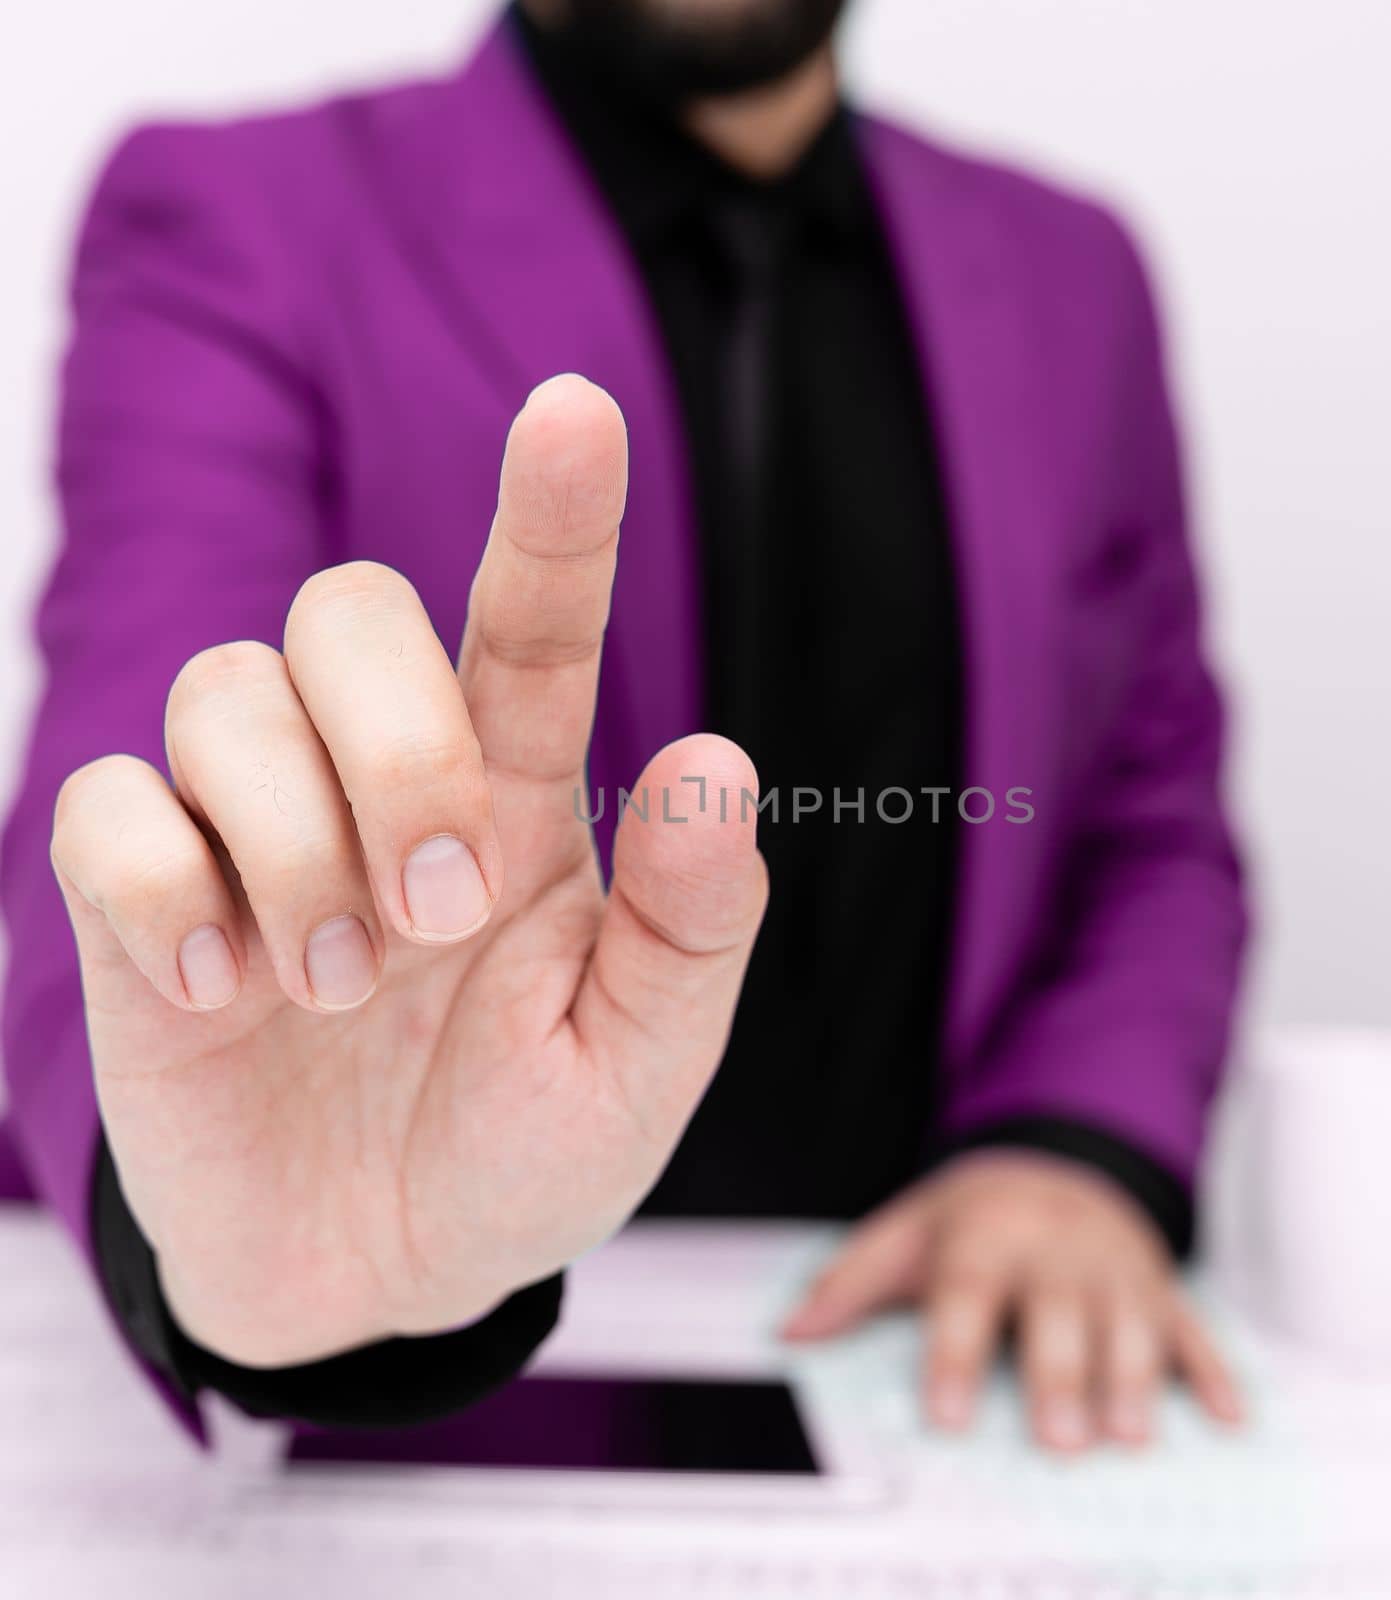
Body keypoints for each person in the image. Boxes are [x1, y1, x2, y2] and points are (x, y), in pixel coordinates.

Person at [0, 0, 1249, 1453]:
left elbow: (1149, 813)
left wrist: (1074, 1143)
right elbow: (128, 786)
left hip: (941, 1392)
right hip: (426, 1424)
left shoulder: (1074, 274)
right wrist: (206, 1239)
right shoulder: (241, 213)